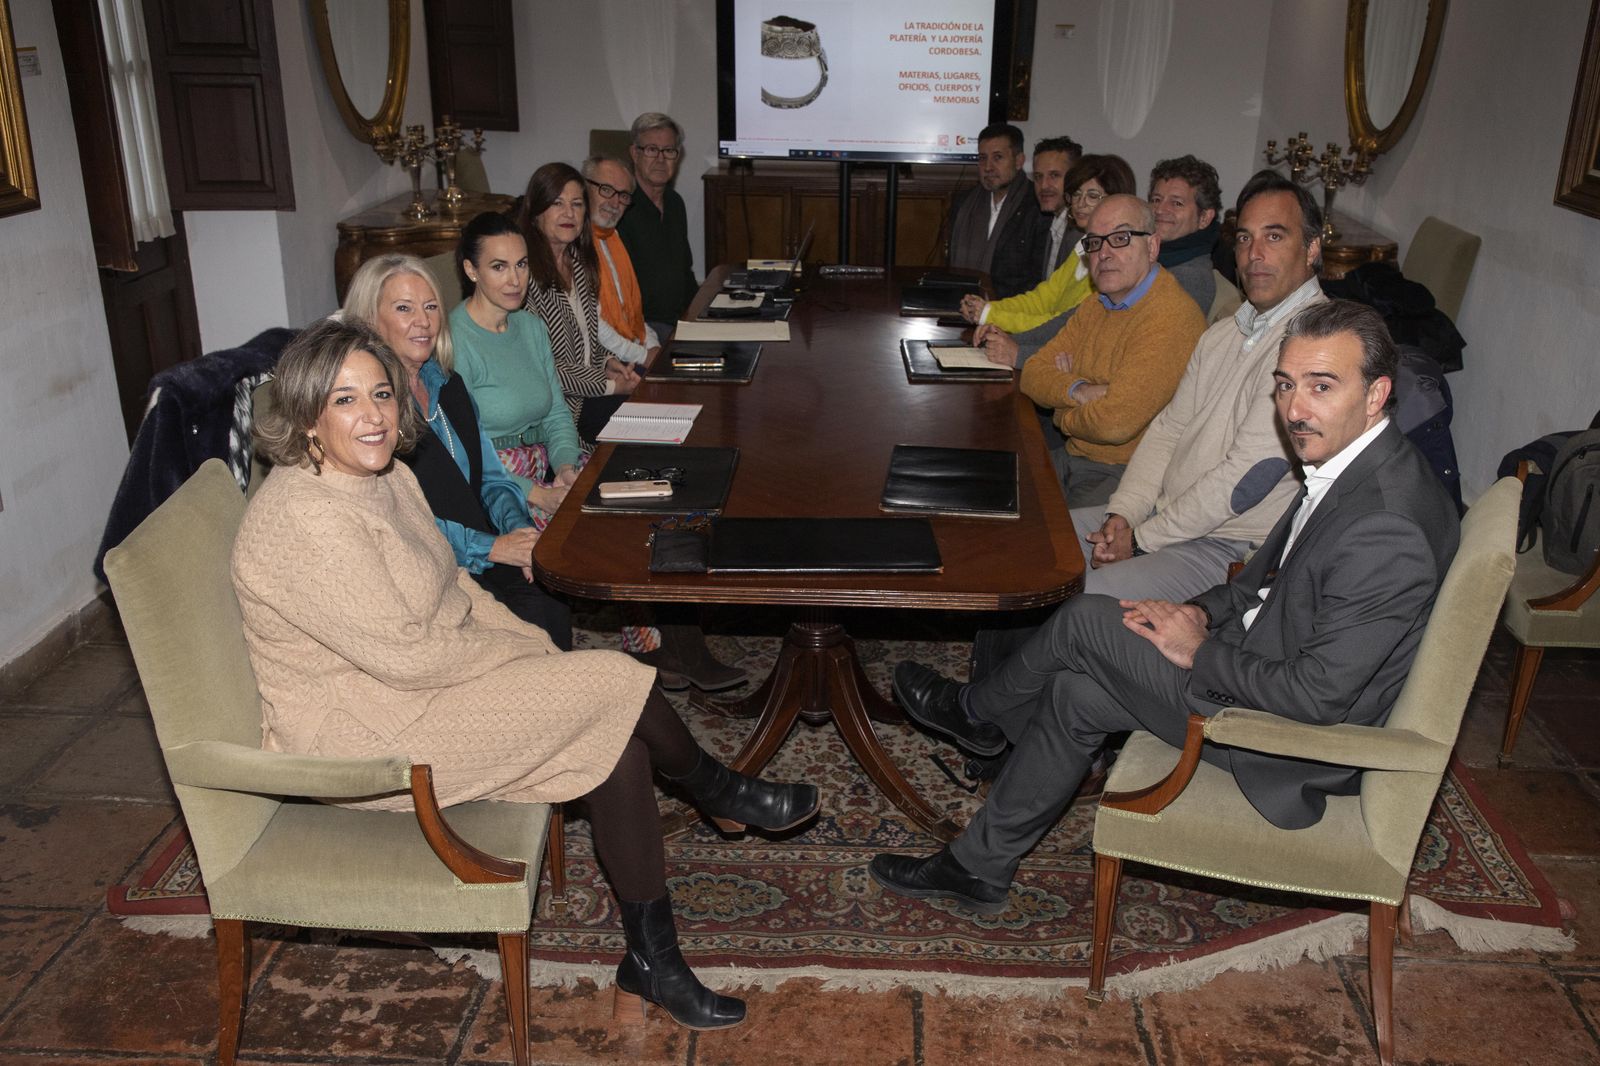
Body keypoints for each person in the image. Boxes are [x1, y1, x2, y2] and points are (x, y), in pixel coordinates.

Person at [235, 318, 819, 1028]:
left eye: (382, 394)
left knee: (611, 734)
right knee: (606, 681)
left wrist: (533, 655)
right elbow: (409, 657)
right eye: (346, 400)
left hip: (422, 688)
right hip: (365, 732)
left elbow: (460, 592)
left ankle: (650, 964)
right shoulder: (309, 518)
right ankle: (718, 790)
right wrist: (532, 662)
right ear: (307, 418)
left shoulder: (385, 477)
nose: (374, 416)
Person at [869, 299, 1460, 915]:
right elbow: (1251, 586)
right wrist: (1196, 614)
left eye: (1321, 386)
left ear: (1376, 394)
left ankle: (978, 713)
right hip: (1259, 663)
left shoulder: (1384, 525)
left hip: (1287, 742)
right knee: (1076, 690)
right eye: (1285, 385)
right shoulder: (1351, 464)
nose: (1295, 409)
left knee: (1085, 620)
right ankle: (977, 869)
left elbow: (1318, 697)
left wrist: (1199, 651)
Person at [1071, 171, 1329, 602]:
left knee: (1086, 596)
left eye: (1275, 237)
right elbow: (1168, 430)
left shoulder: (1315, 346)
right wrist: (1124, 512)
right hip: (1162, 515)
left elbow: (1244, 483)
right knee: (1037, 550)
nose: (1254, 255)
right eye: (1245, 239)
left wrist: (1139, 539)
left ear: (1313, 248)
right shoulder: (1223, 334)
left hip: (1227, 546)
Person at [340, 253, 574, 650]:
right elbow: (396, 521)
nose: (423, 320)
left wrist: (517, 530)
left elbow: (492, 479)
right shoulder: (374, 413)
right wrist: (493, 548)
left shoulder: (448, 385)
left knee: (551, 603)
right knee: (530, 627)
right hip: (432, 571)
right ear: (369, 321)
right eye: (404, 308)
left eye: (431, 306)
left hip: (484, 551)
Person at [1016, 194, 1207, 507]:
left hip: (1124, 474)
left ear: (1152, 246)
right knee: (993, 496)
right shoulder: (1098, 302)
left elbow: (1114, 423)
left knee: (1048, 544)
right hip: (1073, 454)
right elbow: (1033, 373)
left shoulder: (1172, 317)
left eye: (1120, 238)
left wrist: (1061, 411)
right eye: (1094, 242)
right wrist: (1080, 390)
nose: (1103, 253)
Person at [960, 154, 1139, 365]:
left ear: (1117, 201)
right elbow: (1043, 299)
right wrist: (990, 310)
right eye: (1077, 194)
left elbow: (1063, 323)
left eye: (1092, 195)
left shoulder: (1114, 262)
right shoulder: (1083, 247)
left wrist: (991, 315)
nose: (1080, 204)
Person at [518, 162, 641, 444]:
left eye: (576, 204)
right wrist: (610, 385)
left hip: (586, 395)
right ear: (536, 211)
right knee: (641, 425)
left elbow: (586, 340)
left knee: (654, 407)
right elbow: (545, 368)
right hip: (555, 412)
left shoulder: (580, 263)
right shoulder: (523, 277)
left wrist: (608, 363)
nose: (569, 213)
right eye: (557, 203)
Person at [616, 112, 698, 334]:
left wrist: (701, 314)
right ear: (635, 153)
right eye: (652, 150)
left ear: (677, 156)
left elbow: (685, 272)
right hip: (642, 327)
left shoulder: (675, 203)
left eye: (668, 151)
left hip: (680, 320)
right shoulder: (620, 207)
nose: (661, 159)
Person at [946, 123, 1045, 299]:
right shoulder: (964, 204)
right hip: (960, 308)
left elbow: (1038, 279)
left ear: (1019, 161)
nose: (988, 167)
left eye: (997, 157)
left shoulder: (1037, 206)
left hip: (1014, 315)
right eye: (982, 158)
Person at [584, 154, 660, 368]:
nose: (615, 202)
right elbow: (593, 324)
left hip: (630, 352)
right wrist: (644, 356)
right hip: (603, 364)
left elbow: (632, 313)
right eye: (606, 190)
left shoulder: (614, 237)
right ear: (585, 188)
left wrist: (653, 345)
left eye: (624, 196)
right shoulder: (574, 244)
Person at [1147, 155, 1224, 312]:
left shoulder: (1189, 279)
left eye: (1176, 203)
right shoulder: (1146, 258)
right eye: (1156, 200)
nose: (1160, 209)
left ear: (1204, 218)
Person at [1031, 136, 1085, 282]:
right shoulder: (1054, 224)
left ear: (1076, 178)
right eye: (1038, 177)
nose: (1043, 186)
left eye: (1054, 176)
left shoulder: (1082, 232)